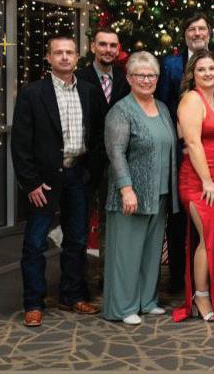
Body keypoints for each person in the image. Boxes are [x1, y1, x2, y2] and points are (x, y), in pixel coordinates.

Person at [12, 35, 105, 327]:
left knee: (76, 239)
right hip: (44, 179)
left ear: (77, 57)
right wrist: (30, 183)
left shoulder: (89, 92)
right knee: (35, 242)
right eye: (58, 53)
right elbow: (21, 143)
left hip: (78, 175)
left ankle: (71, 295)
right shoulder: (32, 93)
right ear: (49, 58)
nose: (64, 57)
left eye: (69, 52)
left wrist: (90, 174)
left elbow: (99, 136)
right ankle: (33, 303)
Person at [155, 12, 214, 294]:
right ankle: (180, 280)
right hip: (183, 156)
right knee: (179, 222)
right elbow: (163, 106)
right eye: (192, 29)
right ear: (185, 34)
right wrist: (181, 140)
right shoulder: (170, 65)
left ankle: (209, 282)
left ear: (209, 33)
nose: (197, 33)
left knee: (212, 229)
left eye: (202, 28)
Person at [102, 51, 179, 325]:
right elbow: (116, 153)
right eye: (140, 75)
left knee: (151, 251)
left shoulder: (162, 108)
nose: (146, 80)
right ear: (129, 78)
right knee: (127, 252)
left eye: (151, 75)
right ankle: (123, 307)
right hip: (131, 194)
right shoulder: (121, 111)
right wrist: (126, 189)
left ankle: (147, 301)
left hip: (160, 193)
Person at [172, 50, 214, 323]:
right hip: (199, 180)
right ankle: (200, 295)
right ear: (192, 74)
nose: (207, 73)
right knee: (207, 238)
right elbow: (193, 142)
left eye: (211, 68)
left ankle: (213, 292)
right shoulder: (191, 99)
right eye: (201, 69)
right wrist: (207, 180)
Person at [75, 27, 130, 278]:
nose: (108, 50)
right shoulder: (79, 78)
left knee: (112, 221)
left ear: (118, 50)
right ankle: (78, 282)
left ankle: (109, 278)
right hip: (86, 162)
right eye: (103, 44)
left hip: (116, 161)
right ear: (93, 47)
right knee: (80, 221)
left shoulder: (125, 80)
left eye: (113, 45)